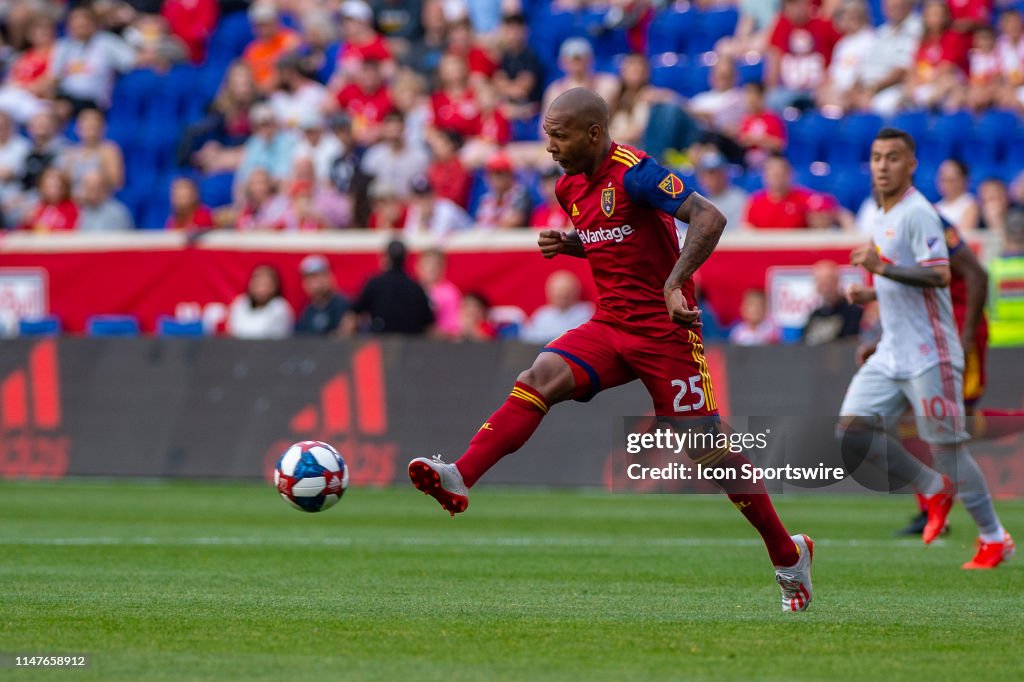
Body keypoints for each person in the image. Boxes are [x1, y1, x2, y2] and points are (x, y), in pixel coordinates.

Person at [407, 87, 815, 612]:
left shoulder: (638, 172)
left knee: (707, 451)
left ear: (594, 134)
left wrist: (675, 284)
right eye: (548, 134)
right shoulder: (567, 187)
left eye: (559, 135)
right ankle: (459, 477)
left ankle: (788, 556)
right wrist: (572, 245)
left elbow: (710, 218)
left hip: (666, 332)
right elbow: (615, 238)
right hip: (610, 324)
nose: (549, 146)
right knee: (539, 377)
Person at [839, 127, 1013, 569]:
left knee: (948, 449)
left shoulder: (918, 213)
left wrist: (880, 268)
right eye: (877, 157)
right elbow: (903, 280)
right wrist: (872, 297)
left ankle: (994, 538)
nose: (882, 165)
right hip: (893, 350)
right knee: (852, 433)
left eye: (893, 157)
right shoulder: (881, 213)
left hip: (929, 353)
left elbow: (938, 276)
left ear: (911, 164)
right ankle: (934, 489)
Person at [351, 240, 435, 334]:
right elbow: (429, 324)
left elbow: (353, 314)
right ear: (405, 258)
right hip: (411, 344)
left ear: (386, 257)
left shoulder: (375, 284)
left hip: (381, 343)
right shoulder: (416, 288)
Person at [520, 270, 595, 344]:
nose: (562, 294)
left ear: (576, 292)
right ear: (549, 292)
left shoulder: (587, 312)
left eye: (566, 290)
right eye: (557, 290)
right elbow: (529, 342)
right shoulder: (541, 315)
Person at [742, 153, 814, 229]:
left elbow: (818, 228)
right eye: (772, 173)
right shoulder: (755, 201)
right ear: (764, 175)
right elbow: (748, 230)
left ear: (790, 174)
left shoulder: (807, 199)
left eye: (781, 172)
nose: (777, 176)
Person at [803, 260, 862, 345]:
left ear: (837, 281)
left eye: (829, 280)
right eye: (822, 282)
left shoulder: (853, 312)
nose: (826, 287)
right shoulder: (814, 315)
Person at [227, 263, 294, 339]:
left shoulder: (280, 307)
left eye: (266, 283)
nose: (261, 288)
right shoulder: (240, 303)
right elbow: (233, 333)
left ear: (275, 286)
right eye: (257, 282)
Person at [294, 255, 352, 336]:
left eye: (320, 275)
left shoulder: (343, 305)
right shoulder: (307, 311)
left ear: (330, 276)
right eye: (310, 278)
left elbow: (345, 336)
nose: (316, 282)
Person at [416, 248, 462, 338]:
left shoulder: (450, 292)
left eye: (436, 265)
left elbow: (453, 327)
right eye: (427, 264)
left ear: (443, 268)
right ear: (418, 266)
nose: (431, 268)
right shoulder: (412, 289)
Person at [695, 152, 747, 230]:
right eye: (707, 173)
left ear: (725, 174)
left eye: (717, 172)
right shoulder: (698, 202)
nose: (713, 178)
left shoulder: (740, 199)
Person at [935, 158, 978, 233]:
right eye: (943, 179)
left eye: (951, 180)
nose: (945, 184)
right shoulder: (937, 206)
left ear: (963, 180)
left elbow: (963, 235)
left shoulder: (970, 204)